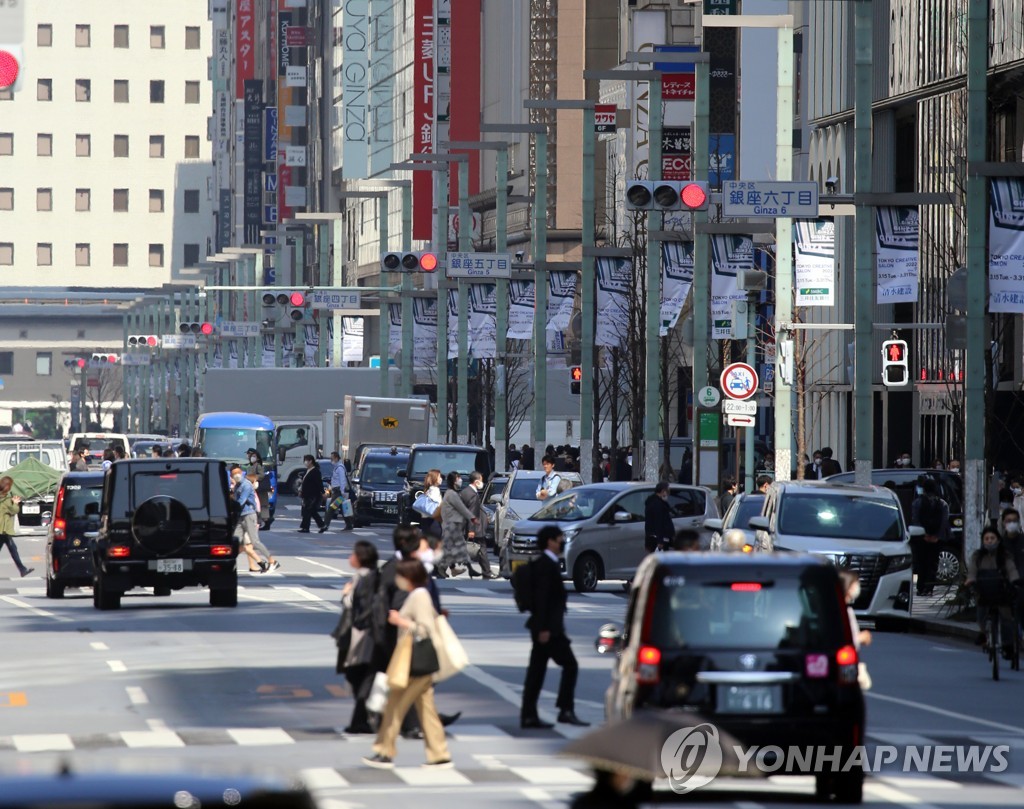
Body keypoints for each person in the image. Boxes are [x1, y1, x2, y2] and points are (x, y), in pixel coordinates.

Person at [363, 559, 453, 769]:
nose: (398, 580)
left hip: (415, 661)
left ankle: (384, 752)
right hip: (418, 661)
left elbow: (425, 629)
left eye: (400, 576)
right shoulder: (419, 595)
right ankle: (439, 755)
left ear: (409, 577)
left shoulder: (418, 596)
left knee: (395, 705)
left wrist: (400, 621)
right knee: (427, 711)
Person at [520, 525, 589, 729]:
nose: (562, 542)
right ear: (550, 541)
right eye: (560, 539)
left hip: (546, 628)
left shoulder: (546, 564)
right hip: (548, 630)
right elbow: (543, 600)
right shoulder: (546, 566)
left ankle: (529, 714)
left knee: (536, 671)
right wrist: (544, 629)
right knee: (570, 665)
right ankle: (564, 710)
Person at [339, 540, 381, 734]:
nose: (350, 558)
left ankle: (361, 720)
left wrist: (345, 594)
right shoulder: (370, 576)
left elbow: (354, 605)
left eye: (353, 554)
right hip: (364, 633)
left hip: (361, 634)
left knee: (359, 674)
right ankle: (361, 719)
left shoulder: (362, 578)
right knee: (361, 675)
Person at [965, 525, 1021, 657]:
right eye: (986, 538)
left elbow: (1011, 569)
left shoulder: (1004, 555)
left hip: (1001, 591)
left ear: (998, 540)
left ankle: (1007, 645)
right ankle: (984, 634)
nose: (989, 541)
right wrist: (970, 581)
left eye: (992, 538)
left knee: (1006, 617)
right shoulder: (977, 556)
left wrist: (1015, 581)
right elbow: (973, 571)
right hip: (984, 591)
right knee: (981, 614)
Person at [229, 465, 273, 573]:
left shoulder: (246, 485)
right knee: (237, 542)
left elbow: (241, 502)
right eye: (233, 474)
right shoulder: (238, 486)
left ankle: (270, 561)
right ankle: (257, 563)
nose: (236, 476)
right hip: (241, 517)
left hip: (249, 516)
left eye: (237, 473)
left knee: (252, 543)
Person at [910, 477, 949, 596]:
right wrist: (937, 536)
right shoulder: (942, 504)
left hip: (921, 538)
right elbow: (944, 522)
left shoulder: (917, 502)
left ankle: (921, 587)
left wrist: (923, 534)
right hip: (936, 539)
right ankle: (929, 587)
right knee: (933, 563)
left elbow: (915, 519)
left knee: (921, 562)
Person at [437, 471, 477, 578]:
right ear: (454, 481)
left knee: (453, 548)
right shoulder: (452, 494)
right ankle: (442, 568)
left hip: (453, 525)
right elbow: (462, 508)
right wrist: (472, 517)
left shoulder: (450, 493)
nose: (460, 479)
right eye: (458, 478)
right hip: (452, 525)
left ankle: (454, 569)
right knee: (455, 548)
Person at [460, 471, 494, 578]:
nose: (482, 482)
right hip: (475, 527)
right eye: (481, 480)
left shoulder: (465, 492)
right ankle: (487, 572)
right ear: (476, 481)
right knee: (482, 548)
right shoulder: (473, 495)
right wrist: (471, 530)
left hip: (465, 525)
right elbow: (472, 514)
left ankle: (475, 570)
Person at [0, 476, 32, 577]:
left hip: (3, 529)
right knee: (13, 549)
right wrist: (15, 503)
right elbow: (14, 510)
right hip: (3, 529)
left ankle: (22, 569)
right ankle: (22, 570)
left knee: (13, 549)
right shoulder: (6, 499)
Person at [322, 451, 354, 533]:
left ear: (336, 458)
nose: (331, 460)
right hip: (336, 491)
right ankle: (349, 525)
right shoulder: (337, 467)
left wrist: (342, 492)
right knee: (343, 508)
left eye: (332, 458)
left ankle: (325, 525)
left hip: (339, 492)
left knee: (331, 508)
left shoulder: (340, 468)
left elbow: (342, 480)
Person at [644, 481, 675, 553]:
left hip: (657, 539)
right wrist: (660, 541)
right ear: (663, 491)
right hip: (658, 540)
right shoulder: (658, 505)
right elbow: (659, 523)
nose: (668, 494)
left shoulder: (654, 503)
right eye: (668, 491)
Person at [298, 454, 325, 533]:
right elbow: (304, 483)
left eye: (306, 461)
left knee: (308, 510)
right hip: (307, 494)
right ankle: (321, 525)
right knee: (310, 511)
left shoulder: (315, 471)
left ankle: (306, 527)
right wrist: (301, 491)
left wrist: (322, 492)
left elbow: (319, 483)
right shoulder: (308, 471)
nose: (305, 462)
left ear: (311, 461)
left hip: (313, 494)